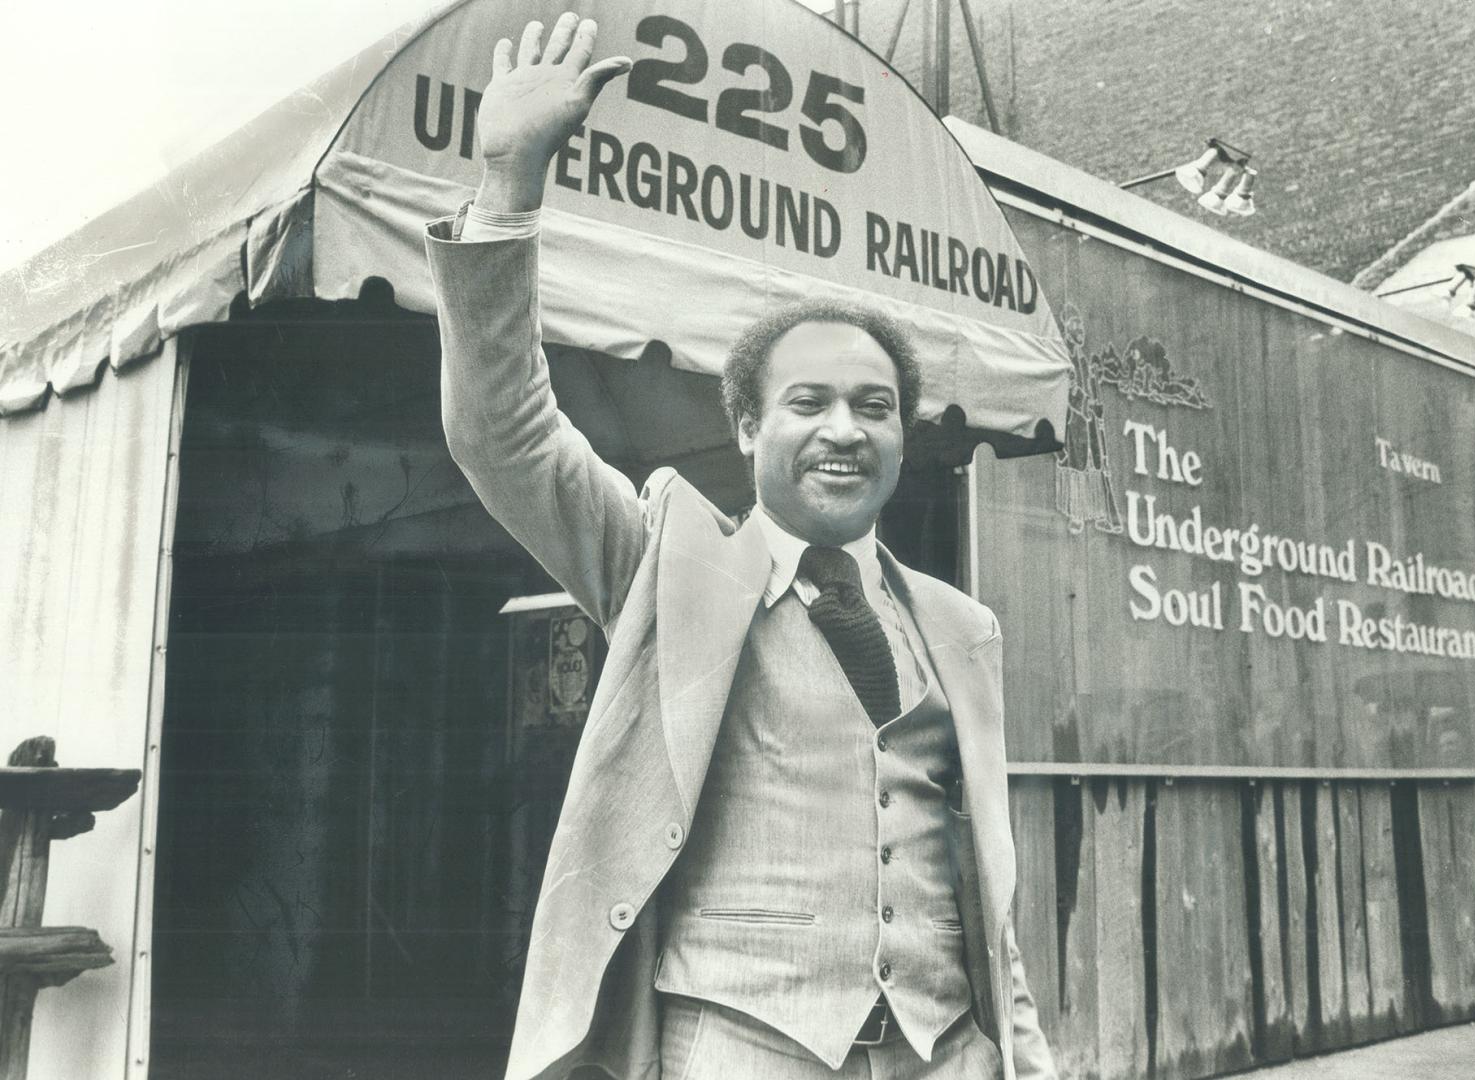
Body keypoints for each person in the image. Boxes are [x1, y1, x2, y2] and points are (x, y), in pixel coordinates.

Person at [423, 13, 1057, 1080]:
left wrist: (1021, 1054)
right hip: (736, 1046)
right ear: (750, 427)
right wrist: (509, 190)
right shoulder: (667, 563)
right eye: (808, 401)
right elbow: (507, 434)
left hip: (946, 1053)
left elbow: (979, 880)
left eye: (875, 407)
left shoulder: (961, 627)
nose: (845, 429)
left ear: (904, 436)